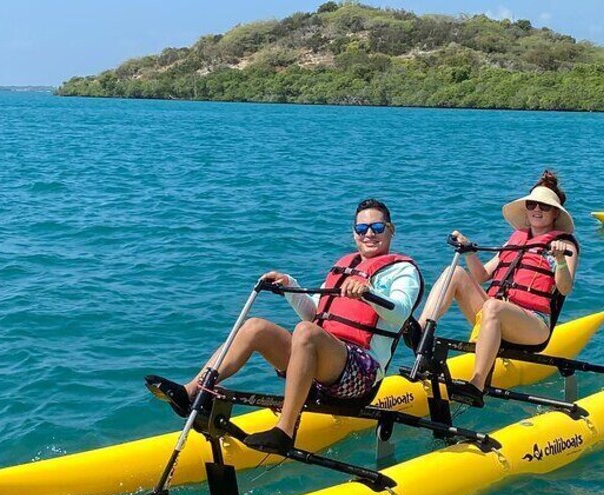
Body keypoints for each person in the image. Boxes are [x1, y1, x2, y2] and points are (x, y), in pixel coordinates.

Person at [146, 199, 422, 454]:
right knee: (256, 327)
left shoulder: (403, 271)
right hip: (321, 363)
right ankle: (191, 391)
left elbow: (401, 313)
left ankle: (285, 430)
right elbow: (314, 313)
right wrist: (290, 285)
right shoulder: (345, 266)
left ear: (390, 229)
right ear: (354, 233)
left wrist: (368, 294)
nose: (369, 234)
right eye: (362, 228)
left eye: (376, 227)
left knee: (305, 332)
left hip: (360, 374)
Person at [416, 171, 578, 407]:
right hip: (496, 314)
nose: (537, 209)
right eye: (532, 204)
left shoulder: (564, 245)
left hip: (533, 324)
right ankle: (420, 331)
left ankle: (477, 384)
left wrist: (561, 259)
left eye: (544, 206)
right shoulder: (515, 240)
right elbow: (482, 276)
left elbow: (564, 288)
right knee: (456, 273)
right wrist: (469, 250)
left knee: (493, 307)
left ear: (555, 213)